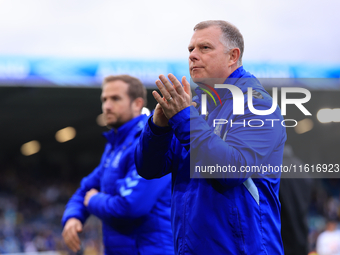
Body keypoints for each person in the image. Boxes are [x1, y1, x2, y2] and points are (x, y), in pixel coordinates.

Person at [135, 20, 287, 254]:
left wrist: (184, 117)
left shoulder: (258, 105)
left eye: (204, 48)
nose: (193, 56)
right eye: (190, 49)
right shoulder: (195, 108)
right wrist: (159, 127)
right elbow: (149, 168)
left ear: (232, 56)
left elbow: (231, 171)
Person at [61, 75, 174, 255]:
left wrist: (93, 201)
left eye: (115, 98)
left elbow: (130, 206)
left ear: (137, 104)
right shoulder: (115, 146)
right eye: (104, 99)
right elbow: (86, 188)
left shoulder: (150, 142)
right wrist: (73, 216)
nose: (107, 105)